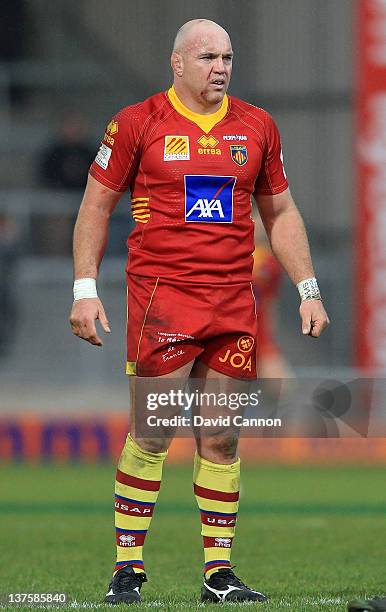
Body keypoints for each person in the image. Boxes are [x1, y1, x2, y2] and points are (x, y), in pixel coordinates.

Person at [69, 19, 329, 605]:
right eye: (208, 56)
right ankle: (128, 566)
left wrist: (308, 287)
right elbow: (94, 208)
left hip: (234, 300)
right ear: (177, 63)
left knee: (222, 439)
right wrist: (85, 287)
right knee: (155, 430)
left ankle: (218, 573)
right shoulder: (138, 123)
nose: (221, 67)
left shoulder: (258, 126)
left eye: (228, 57)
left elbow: (281, 214)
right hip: (164, 300)